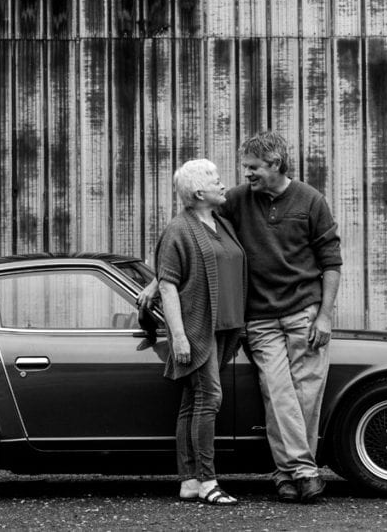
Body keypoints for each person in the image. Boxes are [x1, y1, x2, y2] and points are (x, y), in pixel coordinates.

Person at [140, 132, 341, 504]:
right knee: (278, 393)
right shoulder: (234, 200)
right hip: (260, 318)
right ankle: (303, 470)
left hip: (305, 312)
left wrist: (325, 315)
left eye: (252, 168)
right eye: (243, 168)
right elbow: (189, 231)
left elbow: (331, 261)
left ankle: (285, 473)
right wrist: (159, 281)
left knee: (306, 396)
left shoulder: (311, 201)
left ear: (275, 164)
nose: (244, 175)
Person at [154, 159, 246, 506]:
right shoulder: (179, 229)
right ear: (198, 192)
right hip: (197, 328)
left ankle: (189, 480)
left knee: (192, 402)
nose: (224, 186)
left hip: (226, 328)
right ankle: (208, 481)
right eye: (217, 181)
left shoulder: (221, 222)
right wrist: (178, 336)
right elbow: (167, 285)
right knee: (210, 398)